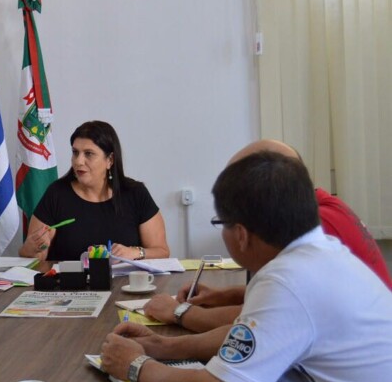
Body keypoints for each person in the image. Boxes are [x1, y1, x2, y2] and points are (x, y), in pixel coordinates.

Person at [101, 152, 392, 382]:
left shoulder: (288, 281)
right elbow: (248, 339)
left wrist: (135, 365)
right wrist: (160, 346)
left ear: (240, 233)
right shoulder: (322, 255)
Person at [142, 139, 392, 331]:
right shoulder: (319, 208)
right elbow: (281, 300)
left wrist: (179, 312)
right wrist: (222, 296)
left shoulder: (314, 226)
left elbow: (262, 318)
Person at [18, 121, 169, 262]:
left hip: (126, 286)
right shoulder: (56, 193)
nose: (78, 161)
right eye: (75, 152)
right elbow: (37, 259)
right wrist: (30, 249)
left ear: (110, 160)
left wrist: (136, 252)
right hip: (70, 288)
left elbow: (162, 252)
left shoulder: (135, 193)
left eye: (88, 154)